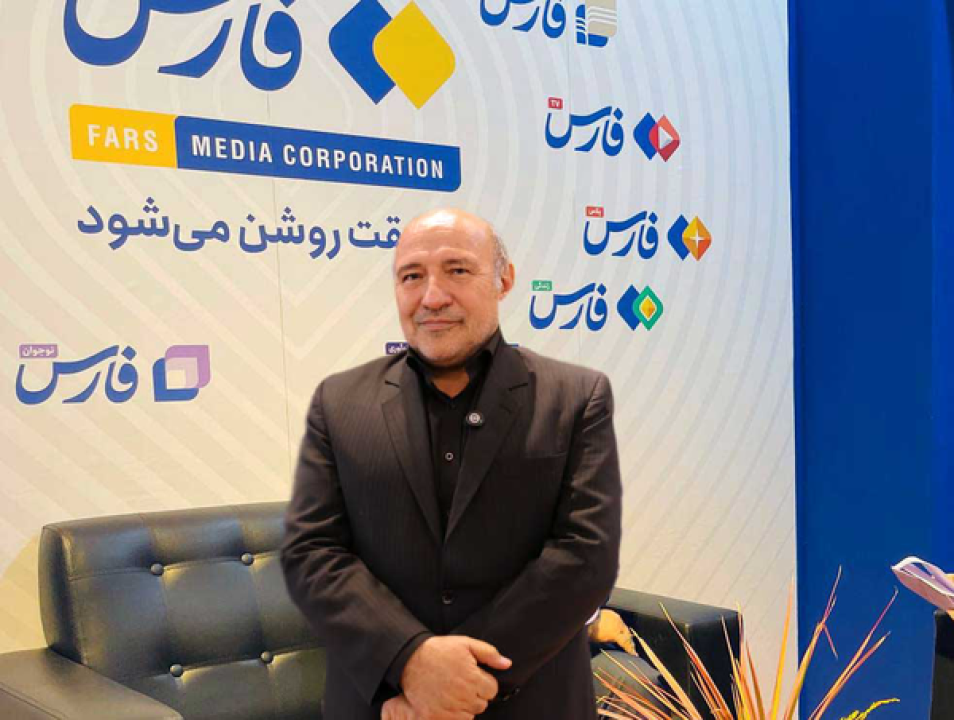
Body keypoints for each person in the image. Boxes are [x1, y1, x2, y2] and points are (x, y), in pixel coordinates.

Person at [281, 208, 623, 719]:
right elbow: (312, 552)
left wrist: (453, 682)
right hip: (386, 706)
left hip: (530, 703)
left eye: (457, 270)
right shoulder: (339, 402)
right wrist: (409, 663)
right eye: (411, 276)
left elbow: (586, 557)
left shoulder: (575, 398)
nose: (432, 296)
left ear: (503, 280)